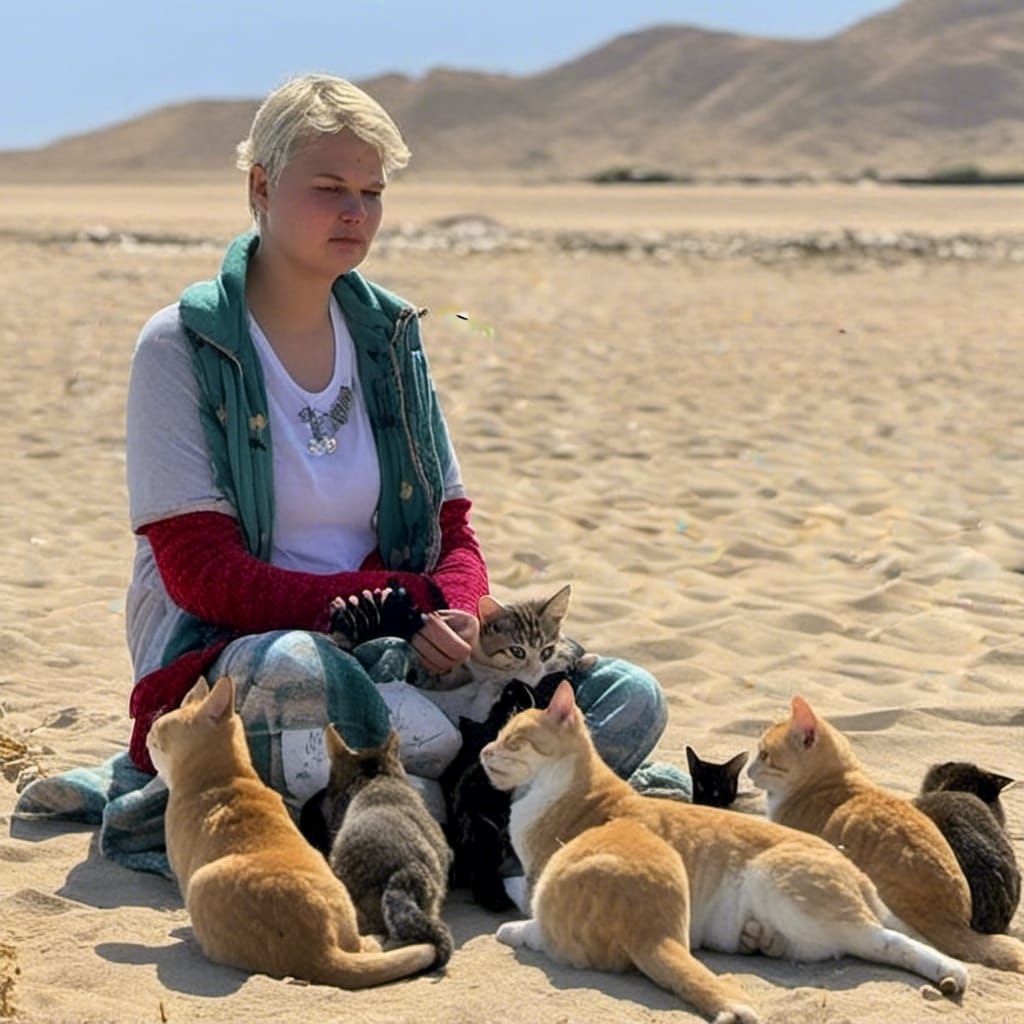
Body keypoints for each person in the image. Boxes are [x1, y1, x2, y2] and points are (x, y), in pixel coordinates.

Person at [124, 73, 668, 819]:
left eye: (372, 193)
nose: (356, 212)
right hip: (244, 650)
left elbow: (453, 531)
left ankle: (429, 795)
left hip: (410, 655)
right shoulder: (183, 346)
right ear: (261, 186)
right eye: (329, 187)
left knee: (630, 699)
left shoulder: (393, 343)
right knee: (297, 673)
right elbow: (202, 576)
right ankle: (463, 799)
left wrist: (463, 614)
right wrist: (394, 610)